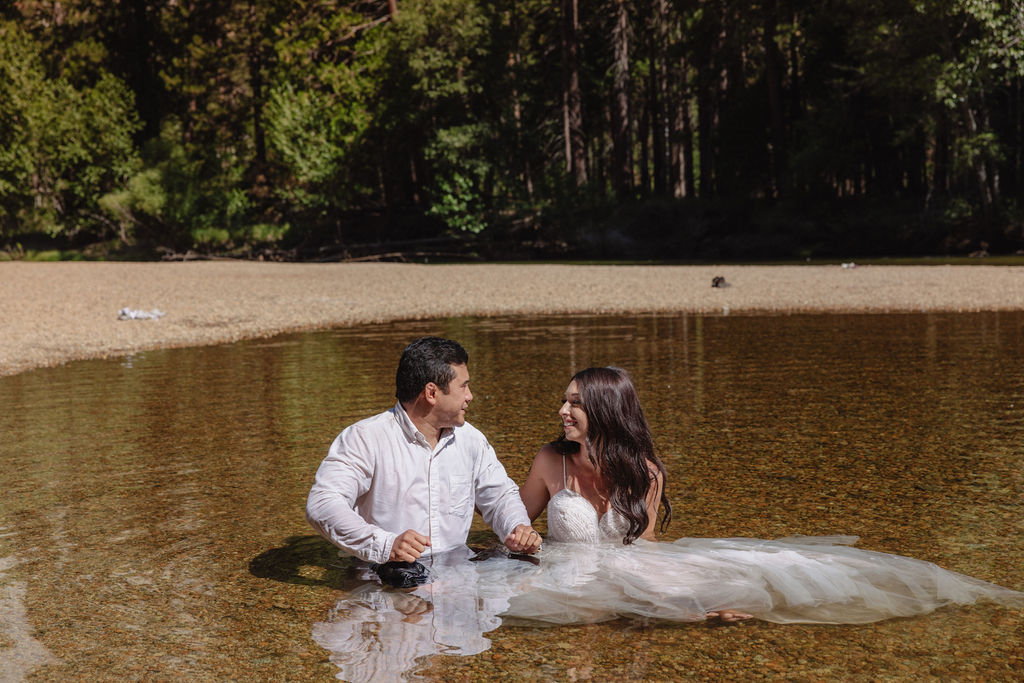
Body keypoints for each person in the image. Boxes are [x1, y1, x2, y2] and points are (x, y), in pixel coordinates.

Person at [502, 366, 1024, 625]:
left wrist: (681, 595)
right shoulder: (552, 462)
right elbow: (513, 529)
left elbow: (647, 544)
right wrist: (521, 540)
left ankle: (701, 613)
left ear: (606, 410)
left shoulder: (645, 470)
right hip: (564, 574)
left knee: (760, 581)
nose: (562, 411)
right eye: (563, 401)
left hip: (624, 568)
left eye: (574, 403)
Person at [306, 336, 541, 568]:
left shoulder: (471, 440)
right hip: (383, 578)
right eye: (464, 386)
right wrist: (386, 544)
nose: (470, 396)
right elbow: (323, 504)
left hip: (459, 573)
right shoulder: (365, 438)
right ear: (431, 393)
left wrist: (517, 528)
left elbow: (500, 497)